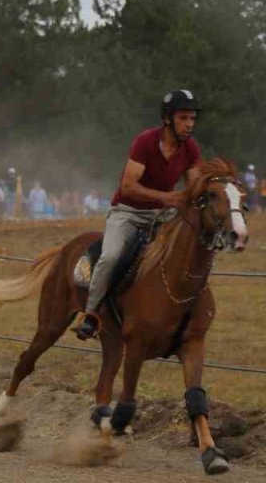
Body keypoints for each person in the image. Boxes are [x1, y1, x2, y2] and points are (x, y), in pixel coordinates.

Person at [75, 89, 203, 341]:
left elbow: (194, 186)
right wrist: (167, 198)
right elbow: (128, 186)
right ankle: (91, 314)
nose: (189, 124)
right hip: (128, 212)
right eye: (183, 118)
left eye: (192, 119)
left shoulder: (190, 148)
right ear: (168, 118)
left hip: (163, 216)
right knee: (111, 257)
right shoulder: (144, 142)